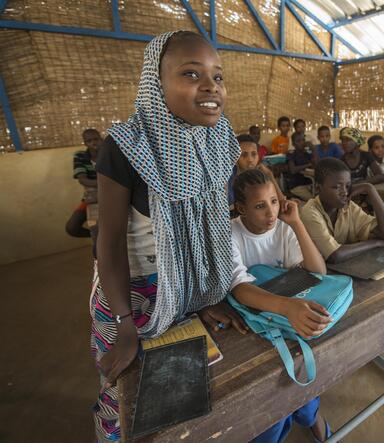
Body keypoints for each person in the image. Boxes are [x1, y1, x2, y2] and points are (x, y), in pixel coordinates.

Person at [91, 31, 247, 442]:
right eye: (191, 74)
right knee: (127, 399)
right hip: (132, 291)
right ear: (155, 82)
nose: (211, 86)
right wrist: (125, 327)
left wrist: (205, 296)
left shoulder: (217, 140)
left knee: (183, 397)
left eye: (218, 76)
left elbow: (208, 229)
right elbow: (107, 244)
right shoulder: (125, 146)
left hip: (190, 288)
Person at [229, 169, 332, 442]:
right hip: (254, 324)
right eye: (260, 206)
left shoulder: (283, 228)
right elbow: (240, 289)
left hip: (288, 320)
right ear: (241, 208)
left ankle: (310, 417)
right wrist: (286, 307)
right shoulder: (231, 234)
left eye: (274, 201)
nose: (271, 213)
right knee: (272, 396)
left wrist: (296, 223)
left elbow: (317, 270)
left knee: (300, 372)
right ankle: (303, 419)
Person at [300, 158, 384, 263]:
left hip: (345, 269)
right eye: (337, 187)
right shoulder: (310, 212)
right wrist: (377, 243)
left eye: (348, 186)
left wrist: (370, 189)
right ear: (318, 188)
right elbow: (334, 255)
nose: (344, 192)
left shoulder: (348, 207)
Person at [66, 128, 102, 239]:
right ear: (85, 143)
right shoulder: (80, 156)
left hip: (110, 196)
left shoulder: (109, 154)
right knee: (72, 228)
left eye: (96, 139)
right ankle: (98, 237)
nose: (93, 143)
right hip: (91, 197)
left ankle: (101, 239)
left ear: (101, 139)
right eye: (89, 141)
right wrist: (106, 185)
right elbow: (82, 180)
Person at [228, 134, 283, 208]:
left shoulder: (259, 174)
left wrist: (270, 175)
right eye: (243, 155)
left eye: (254, 154)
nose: (250, 160)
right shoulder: (229, 175)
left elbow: (281, 202)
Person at [286, 132, 313, 200]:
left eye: (303, 140)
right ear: (293, 144)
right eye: (298, 141)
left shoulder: (307, 153)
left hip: (310, 183)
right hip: (297, 186)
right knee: (312, 199)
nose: (302, 143)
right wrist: (308, 164)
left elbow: (316, 164)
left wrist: (313, 148)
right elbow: (293, 170)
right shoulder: (291, 154)